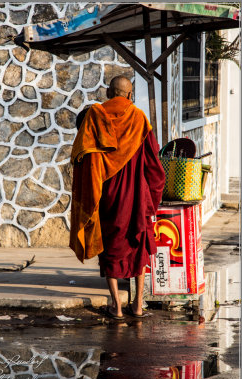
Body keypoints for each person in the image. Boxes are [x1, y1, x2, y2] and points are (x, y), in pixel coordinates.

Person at [70, 75, 165, 319]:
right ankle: (138, 305)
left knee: (111, 248)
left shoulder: (94, 116)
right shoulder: (139, 119)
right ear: (130, 95)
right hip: (136, 194)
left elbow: (82, 156)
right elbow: (154, 166)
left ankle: (117, 308)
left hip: (106, 194)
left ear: (108, 92)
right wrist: (152, 197)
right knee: (137, 246)